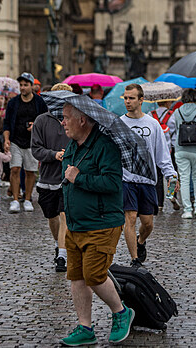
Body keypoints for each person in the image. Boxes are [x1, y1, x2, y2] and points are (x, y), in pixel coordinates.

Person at [59, 102, 134, 345]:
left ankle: (121, 312)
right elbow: (67, 175)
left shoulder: (104, 146)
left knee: (94, 274)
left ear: (82, 120)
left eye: (66, 118)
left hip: (102, 224)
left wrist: (79, 178)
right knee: (77, 277)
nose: (62, 122)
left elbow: (112, 184)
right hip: (76, 224)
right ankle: (85, 328)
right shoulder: (72, 146)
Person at [121, 84, 177, 267]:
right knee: (129, 218)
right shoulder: (120, 123)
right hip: (127, 179)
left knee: (148, 223)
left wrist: (171, 174)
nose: (128, 101)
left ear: (141, 100)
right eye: (126, 98)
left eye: (131, 98)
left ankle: (141, 241)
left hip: (148, 181)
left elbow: (162, 153)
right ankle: (134, 258)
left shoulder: (152, 125)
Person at [31, 83, 72, 273]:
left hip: (68, 177)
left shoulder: (75, 120)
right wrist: (54, 155)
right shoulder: (41, 121)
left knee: (64, 215)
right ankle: (59, 243)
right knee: (52, 216)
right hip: (47, 178)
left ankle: (62, 256)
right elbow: (36, 150)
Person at [3, 72, 48, 213]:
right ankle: (16, 200)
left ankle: (28, 199)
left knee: (30, 171)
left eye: (25, 85)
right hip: (16, 140)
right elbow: (6, 123)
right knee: (15, 169)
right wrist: (6, 140)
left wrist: (36, 126)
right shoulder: (13, 102)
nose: (22, 88)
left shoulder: (39, 102)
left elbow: (45, 120)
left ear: (31, 86)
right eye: (21, 85)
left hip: (33, 142)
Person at [173, 88, 196, 219]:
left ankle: (187, 210)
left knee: (184, 178)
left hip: (181, 148)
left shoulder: (177, 112)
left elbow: (177, 127)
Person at [149, 100, 176, 210]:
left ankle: (159, 203)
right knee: (172, 174)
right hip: (170, 149)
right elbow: (175, 132)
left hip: (155, 149)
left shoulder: (151, 114)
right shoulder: (172, 114)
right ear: (168, 102)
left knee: (158, 177)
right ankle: (172, 195)